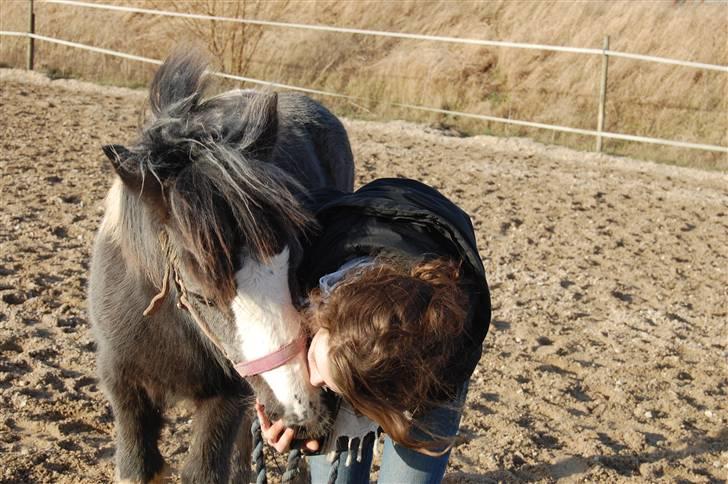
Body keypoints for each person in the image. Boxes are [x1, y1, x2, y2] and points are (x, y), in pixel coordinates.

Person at [255, 178, 491, 484]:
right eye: (315, 361)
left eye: (322, 378)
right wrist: (300, 420)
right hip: (360, 224)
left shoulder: (451, 356)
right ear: (322, 313)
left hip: (434, 363)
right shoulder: (307, 257)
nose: (311, 379)